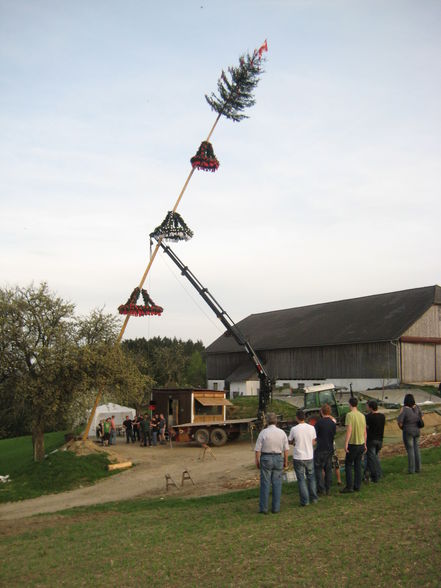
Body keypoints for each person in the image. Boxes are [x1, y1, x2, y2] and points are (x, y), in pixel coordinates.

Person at [254, 412, 289, 514]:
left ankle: (264, 508)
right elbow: (286, 449)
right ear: (276, 421)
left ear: (267, 421)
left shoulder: (263, 433)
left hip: (266, 458)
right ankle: (276, 508)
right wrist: (286, 461)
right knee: (277, 484)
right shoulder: (282, 433)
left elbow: (257, 449)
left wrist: (257, 461)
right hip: (278, 458)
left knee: (265, 484)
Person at [288, 409, 318, 506]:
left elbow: (290, 441)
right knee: (311, 477)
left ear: (297, 418)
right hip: (309, 455)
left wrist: (294, 443)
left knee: (301, 479)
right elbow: (314, 441)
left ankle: (305, 501)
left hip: (298, 456)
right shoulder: (311, 428)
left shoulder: (294, 429)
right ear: (304, 417)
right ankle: (314, 498)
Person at [340, 397, 366, 494]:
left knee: (348, 464)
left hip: (353, 444)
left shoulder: (349, 415)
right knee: (358, 465)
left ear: (350, 404)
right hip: (361, 443)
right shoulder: (362, 415)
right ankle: (357, 486)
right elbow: (364, 431)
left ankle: (349, 486)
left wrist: (346, 443)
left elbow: (349, 430)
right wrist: (365, 443)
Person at [314, 404, 337, 496]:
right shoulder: (332, 423)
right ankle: (328, 488)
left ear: (321, 412)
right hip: (329, 448)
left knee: (319, 469)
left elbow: (315, 436)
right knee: (328, 469)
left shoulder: (319, 423)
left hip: (320, 448)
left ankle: (321, 488)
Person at [397, 393, 423, 474]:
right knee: (417, 449)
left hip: (408, 431)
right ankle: (418, 468)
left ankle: (411, 469)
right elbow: (421, 417)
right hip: (417, 430)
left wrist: (402, 428)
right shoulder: (417, 407)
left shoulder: (404, 409)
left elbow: (400, 422)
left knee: (410, 450)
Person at [365, 400, 385, 483]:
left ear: (370, 407)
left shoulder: (369, 417)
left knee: (372, 459)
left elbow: (366, 427)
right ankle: (372, 474)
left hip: (371, 440)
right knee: (375, 457)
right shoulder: (382, 416)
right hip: (380, 440)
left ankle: (375, 476)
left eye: (367, 406)